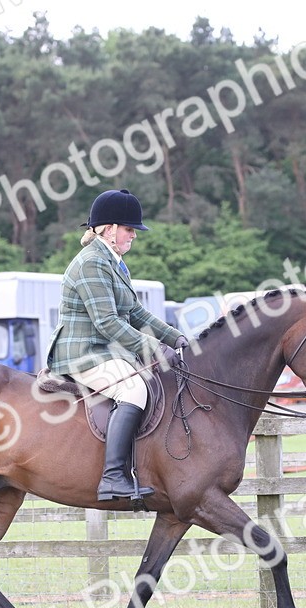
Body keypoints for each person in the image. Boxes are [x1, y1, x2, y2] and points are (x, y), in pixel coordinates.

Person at [47, 188, 189, 502]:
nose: (133, 236)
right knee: (133, 390)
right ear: (109, 229)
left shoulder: (114, 262)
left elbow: (135, 313)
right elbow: (107, 323)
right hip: (82, 352)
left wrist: (174, 338)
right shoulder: (92, 263)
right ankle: (113, 478)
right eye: (129, 229)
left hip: (105, 350)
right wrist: (154, 349)